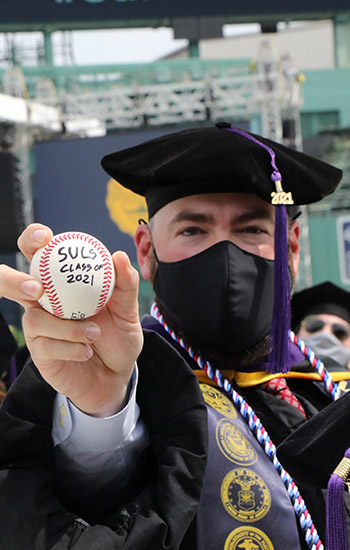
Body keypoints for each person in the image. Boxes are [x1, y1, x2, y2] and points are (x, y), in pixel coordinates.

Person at [0, 122, 349, 550]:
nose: (225, 254)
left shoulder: (329, 388)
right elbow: (87, 510)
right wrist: (99, 411)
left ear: (291, 247)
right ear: (145, 250)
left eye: (252, 229)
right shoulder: (129, 376)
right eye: (193, 230)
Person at [291, 281, 350, 369]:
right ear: (296, 332)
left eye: (340, 331)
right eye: (315, 325)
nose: (326, 333)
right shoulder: (273, 380)